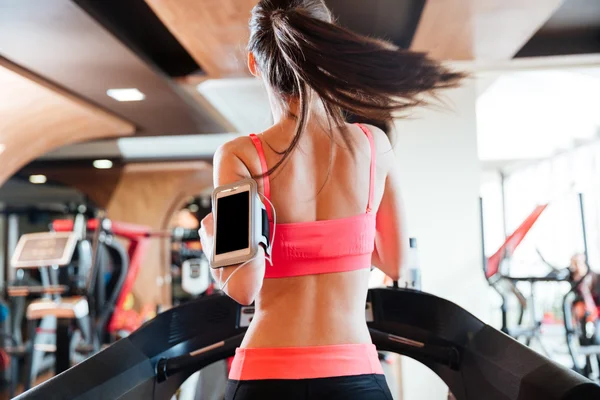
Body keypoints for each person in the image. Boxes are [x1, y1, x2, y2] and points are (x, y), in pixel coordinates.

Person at [198, 0, 463, 398]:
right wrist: (340, 242)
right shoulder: (374, 147)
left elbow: (242, 287)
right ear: (326, 56)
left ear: (255, 63)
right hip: (356, 376)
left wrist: (210, 239)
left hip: (265, 376)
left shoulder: (240, 156)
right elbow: (394, 261)